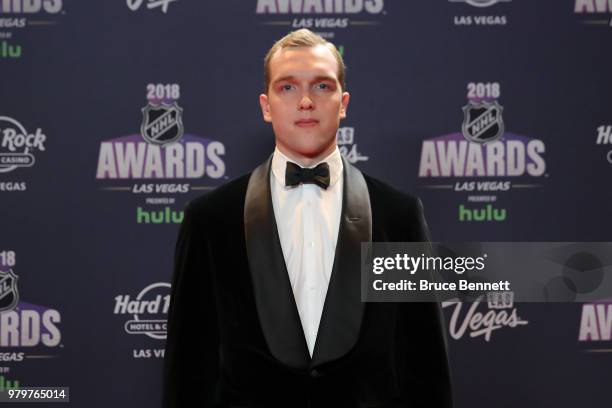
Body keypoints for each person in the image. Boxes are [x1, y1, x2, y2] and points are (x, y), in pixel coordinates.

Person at [163, 29, 452, 408]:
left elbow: (424, 363)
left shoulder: (397, 215)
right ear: (266, 106)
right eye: (287, 88)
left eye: (321, 86)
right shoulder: (210, 220)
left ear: (343, 102)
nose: (304, 102)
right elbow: (189, 367)